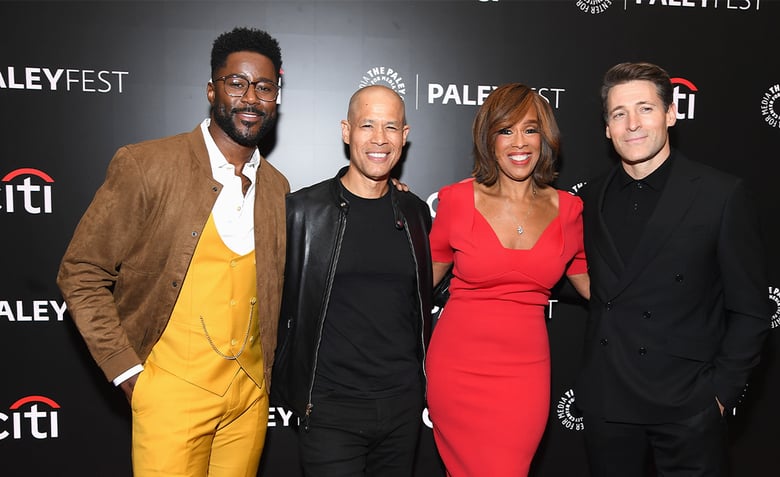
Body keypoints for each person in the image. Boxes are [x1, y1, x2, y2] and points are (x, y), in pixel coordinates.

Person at [56, 27, 289, 476]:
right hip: (170, 398)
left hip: (249, 401)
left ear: (276, 96)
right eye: (236, 83)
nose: (251, 98)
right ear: (211, 89)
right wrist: (128, 374)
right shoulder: (147, 165)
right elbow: (81, 271)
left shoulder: (278, 188)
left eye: (264, 87)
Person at [575, 62, 771, 477]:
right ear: (607, 129)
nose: (632, 124)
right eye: (619, 114)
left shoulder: (721, 194)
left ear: (671, 113)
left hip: (687, 404)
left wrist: (721, 394)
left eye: (645, 108)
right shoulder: (590, 196)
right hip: (608, 403)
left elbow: (751, 308)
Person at [426, 83, 590, 476]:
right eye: (506, 130)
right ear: (489, 139)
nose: (520, 142)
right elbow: (416, 284)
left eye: (530, 129)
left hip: (524, 374)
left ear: (545, 138)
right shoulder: (457, 201)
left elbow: (603, 291)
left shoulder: (568, 210)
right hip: (457, 369)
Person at [271, 85, 433, 476]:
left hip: (402, 407)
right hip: (329, 409)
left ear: (404, 136)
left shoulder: (415, 213)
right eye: (367, 125)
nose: (379, 139)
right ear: (346, 131)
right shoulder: (303, 212)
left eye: (391, 127)